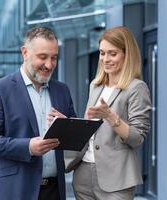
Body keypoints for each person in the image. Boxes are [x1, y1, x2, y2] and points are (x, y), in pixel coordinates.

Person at [0, 27, 76, 200]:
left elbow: (76, 139)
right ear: (25, 52)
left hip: (54, 191)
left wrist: (67, 125)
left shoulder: (62, 90)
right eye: (43, 57)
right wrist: (28, 147)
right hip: (13, 190)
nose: (49, 64)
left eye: (54, 58)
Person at [59, 26, 151, 200]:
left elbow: (137, 138)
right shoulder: (95, 85)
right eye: (102, 53)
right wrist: (67, 123)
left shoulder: (137, 88)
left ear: (126, 55)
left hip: (116, 178)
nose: (105, 59)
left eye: (112, 54)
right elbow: (89, 127)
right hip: (83, 174)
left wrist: (110, 116)